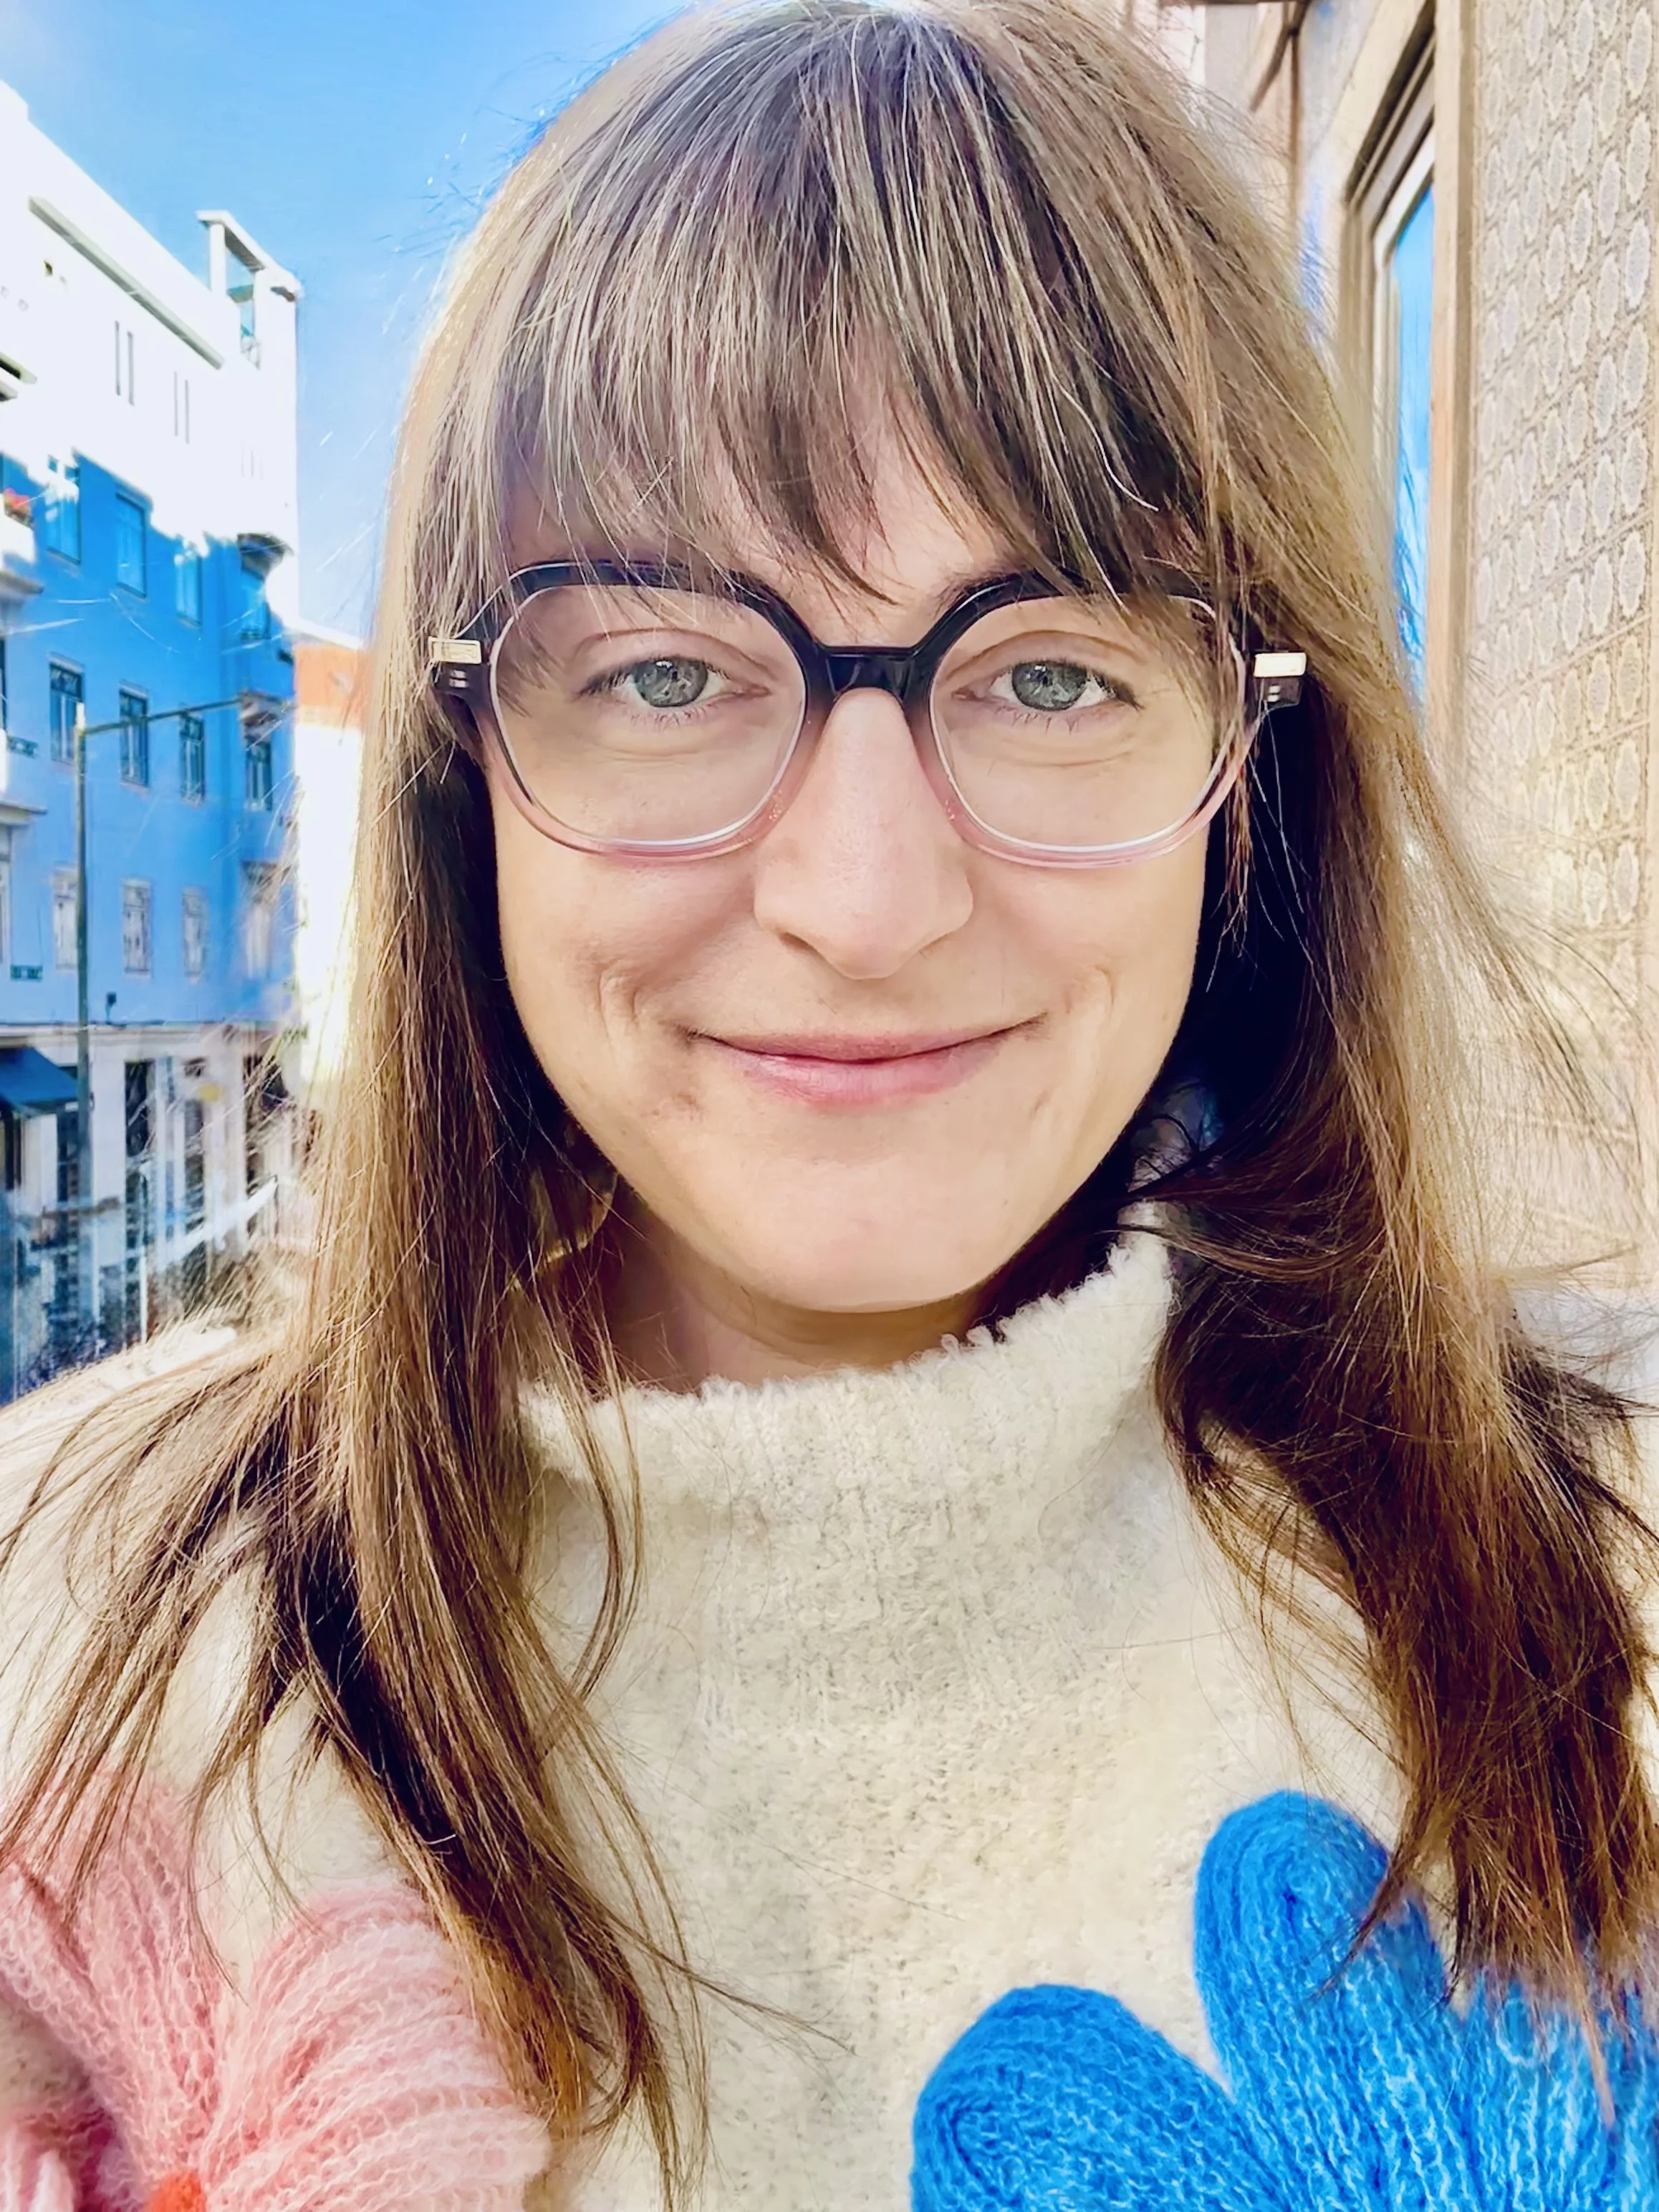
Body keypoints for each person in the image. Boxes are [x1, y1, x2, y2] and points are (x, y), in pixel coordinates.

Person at [0, 2, 1655, 2207]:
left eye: (1052, 669)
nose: (863, 902)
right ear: (463, 769)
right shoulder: (80, 1630)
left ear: (1257, 766)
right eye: (665, 672)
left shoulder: (1600, 1558)